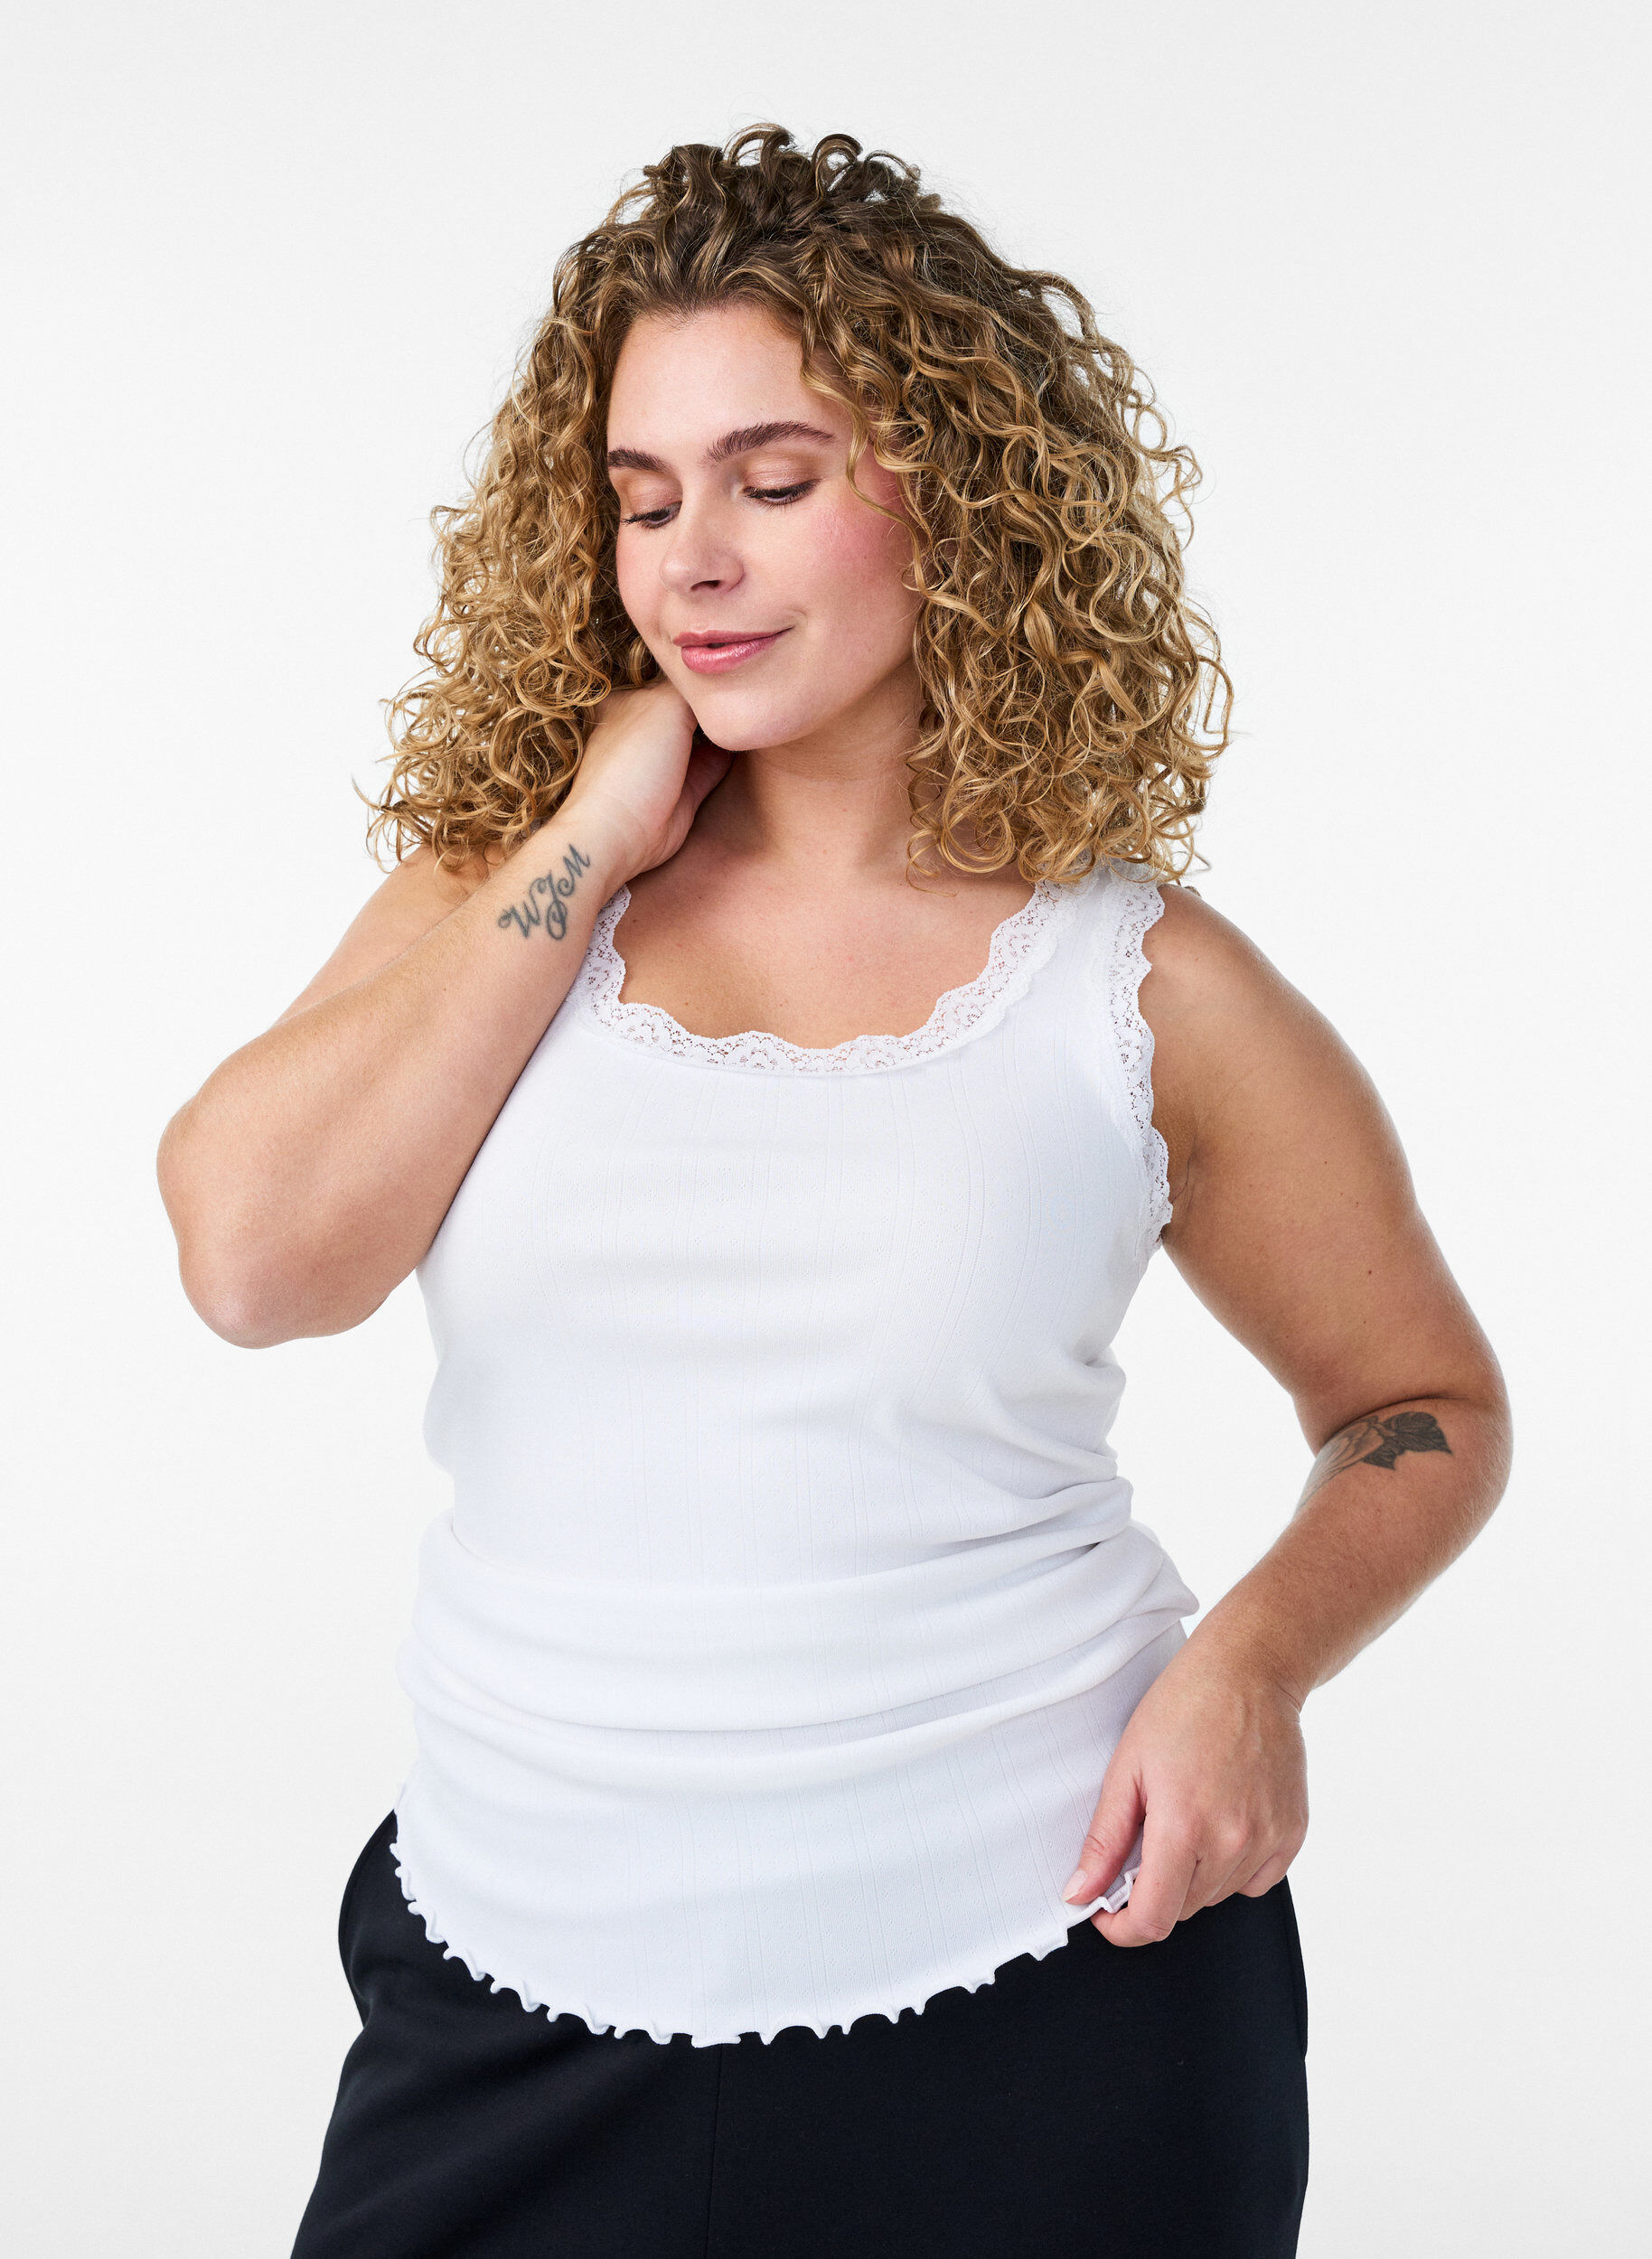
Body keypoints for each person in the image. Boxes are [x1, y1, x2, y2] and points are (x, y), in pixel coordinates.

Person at [156, 126, 1511, 2259]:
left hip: (1047, 1979)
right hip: (516, 1977)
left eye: (772, 481)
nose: (693, 554)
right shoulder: (502, 897)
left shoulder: (1140, 982)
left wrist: (1249, 1661)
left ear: (952, 499)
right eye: (642, 496)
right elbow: (251, 1263)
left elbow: (1416, 1403)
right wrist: (598, 825)